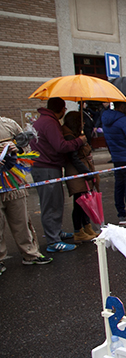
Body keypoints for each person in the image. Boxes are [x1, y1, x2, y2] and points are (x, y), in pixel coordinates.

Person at [30, 97, 88, 252]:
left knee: (54, 201)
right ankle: (53, 241)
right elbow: (61, 146)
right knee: (51, 203)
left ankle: (55, 232)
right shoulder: (50, 123)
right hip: (46, 167)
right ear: (62, 109)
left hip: (44, 165)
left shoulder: (42, 121)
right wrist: (79, 141)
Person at [0, 116, 53, 270]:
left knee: (21, 221)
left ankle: (30, 254)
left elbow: (26, 147)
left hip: (14, 182)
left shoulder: (8, 124)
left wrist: (18, 149)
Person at [61, 111, 99, 242]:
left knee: (85, 201)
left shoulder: (76, 136)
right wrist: (86, 173)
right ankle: (78, 230)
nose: (83, 123)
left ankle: (86, 226)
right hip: (77, 173)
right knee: (79, 203)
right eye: (81, 121)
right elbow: (74, 158)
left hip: (81, 170)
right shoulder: (70, 137)